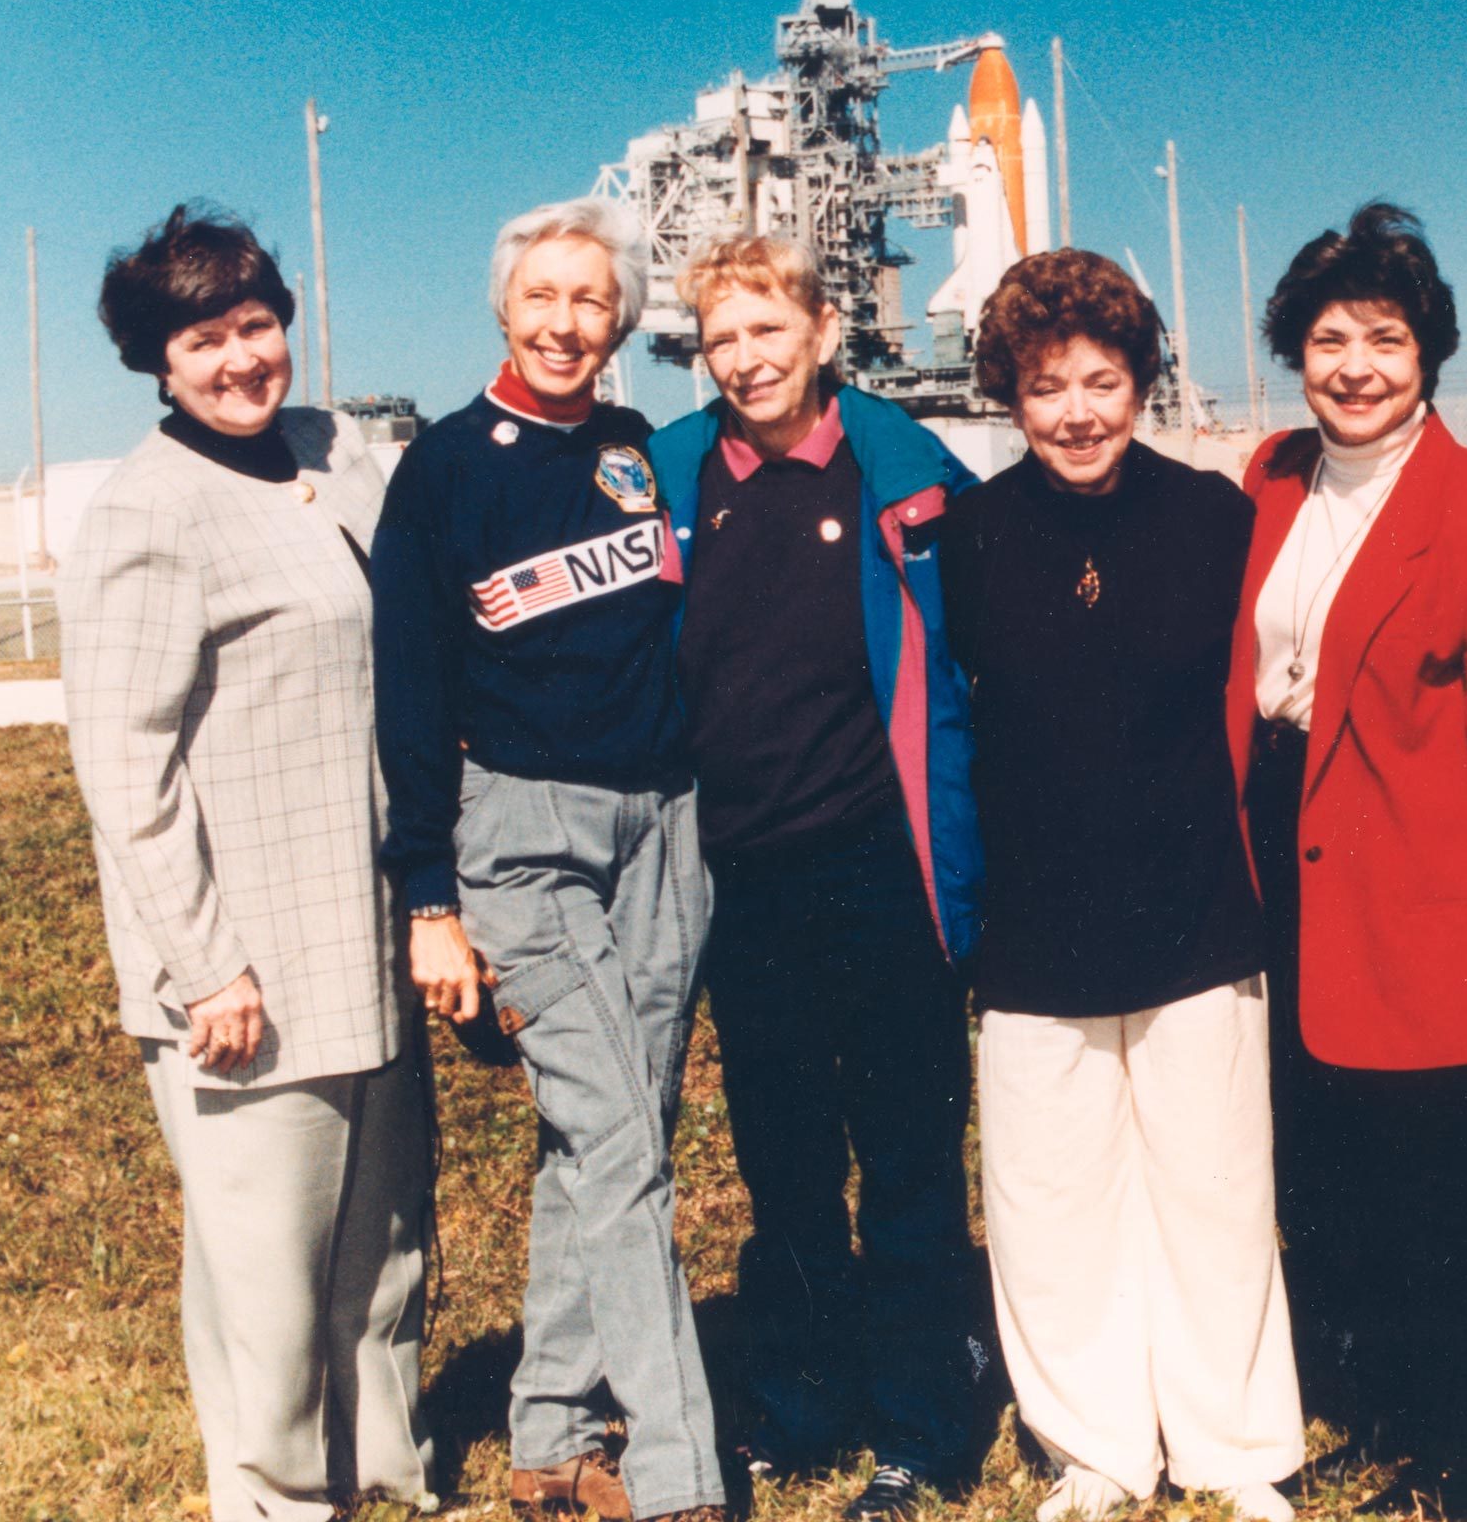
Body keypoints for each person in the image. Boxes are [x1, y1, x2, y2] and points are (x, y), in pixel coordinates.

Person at [61, 205, 435, 1521]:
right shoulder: (148, 510)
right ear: (158, 362)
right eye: (204, 339)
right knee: (267, 1273)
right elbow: (125, 766)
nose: (241, 359)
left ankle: (381, 1476)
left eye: (256, 325)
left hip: (371, 928)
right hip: (247, 962)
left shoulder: (336, 452)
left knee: (384, 1253)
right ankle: (276, 1498)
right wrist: (204, 965)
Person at [1229, 203, 1467, 1519]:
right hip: (1276, 851)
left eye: (1384, 338)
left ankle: (1463, 1456)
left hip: (1417, 874)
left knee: (1435, 1187)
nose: (1356, 367)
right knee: (1314, 1167)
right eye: (1330, 340)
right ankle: (1371, 1410)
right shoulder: (1270, 480)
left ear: (1427, 350)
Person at [371, 198, 723, 1522]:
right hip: (523, 835)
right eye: (543, 297)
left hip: (665, 828)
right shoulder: (445, 468)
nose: (566, 323)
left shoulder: (637, 451)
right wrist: (428, 896)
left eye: (592, 301)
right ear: (504, 307)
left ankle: (549, 1440)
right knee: (620, 1139)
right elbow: (410, 695)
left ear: (623, 320)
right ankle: (684, 1476)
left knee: (615, 1130)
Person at [942, 250, 1305, 1522]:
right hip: (1035, 926)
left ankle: (1234, 1444)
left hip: (1195, 909)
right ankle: (1093, 1442)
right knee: (1051, 1198)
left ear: (1142, 382)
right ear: (1011, 396)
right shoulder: (970, 537)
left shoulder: (1213, 519)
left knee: (1216, 1188)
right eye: (1047, 387)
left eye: (1102, 381)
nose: (1078, 412)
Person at [646, 235, 989, 1521]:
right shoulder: (673, 476)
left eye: (768, 329)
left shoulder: (907, 469)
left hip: (884, 870)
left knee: (906, 1157)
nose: (746, 359)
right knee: (783, 1160)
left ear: (825, 331)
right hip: (745, 880)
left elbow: (979, 662)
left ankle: (921, 1424)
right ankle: (799, 1401)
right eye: (722, 338)